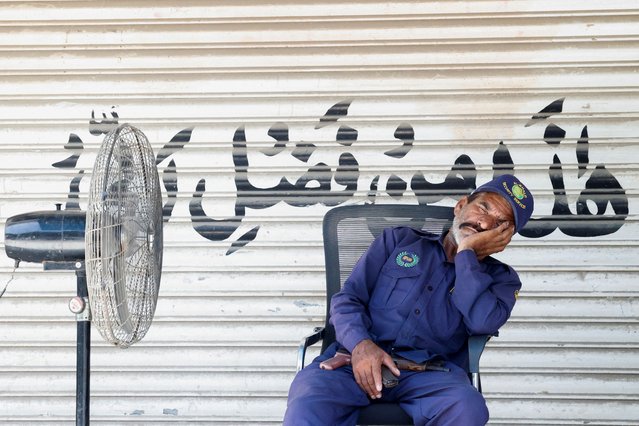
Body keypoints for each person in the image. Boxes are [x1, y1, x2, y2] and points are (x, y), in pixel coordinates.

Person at [283, 174, 534, 426]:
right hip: (354, 361)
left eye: (499, 223)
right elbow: (348, 298)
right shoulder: (398, 241)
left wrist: (466, 253)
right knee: (308, 402)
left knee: (467, 408)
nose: (483, 222)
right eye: (483, 207)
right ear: (461, 206)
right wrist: (361, 344)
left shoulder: (502, 280)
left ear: (503, 239)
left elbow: (482, 323)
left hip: (428, 376)